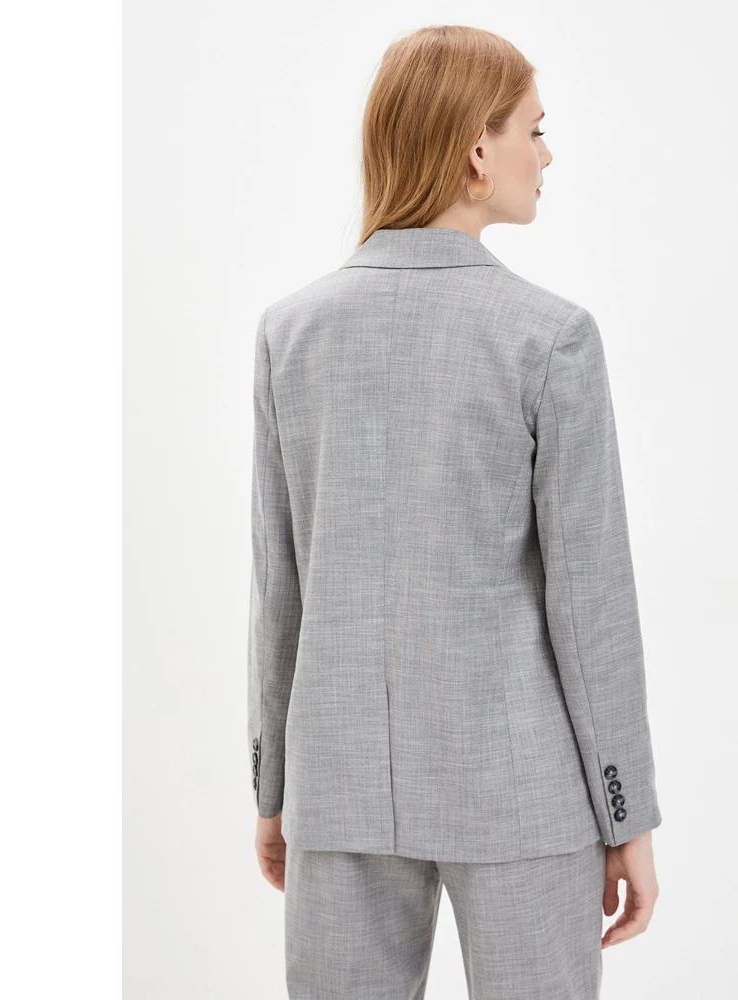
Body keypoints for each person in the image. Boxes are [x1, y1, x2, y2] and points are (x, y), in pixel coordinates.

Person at [247, 24, 663, 999]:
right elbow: (590, 606)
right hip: (520, 790)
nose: (546, 153)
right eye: (534, 129)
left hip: (338, 785)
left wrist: (274, 789)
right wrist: (627, 814)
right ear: (478, 150)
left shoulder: (290, 334)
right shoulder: (549, 338)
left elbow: (279, 591)